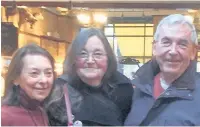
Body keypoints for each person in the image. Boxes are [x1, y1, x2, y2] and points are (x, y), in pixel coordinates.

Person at [46, 28, 133, 126]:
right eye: (83, 54)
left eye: (97, 54)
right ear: (74, 58)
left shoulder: (123, 89)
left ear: (108, 58)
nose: (90, 60)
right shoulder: (59, 91)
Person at [125, 14, 200, 126]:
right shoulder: (137, 89)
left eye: (182, 44)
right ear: (154, 48)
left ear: (193, 52)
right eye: (166, 42)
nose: (173, 51)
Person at [1, 43, 55, 126]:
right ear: (15, 78)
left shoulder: (41, 111)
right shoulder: (4, 117)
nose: (44, 80)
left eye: (48, 73)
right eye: (34, 73)